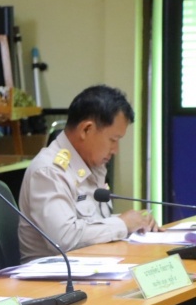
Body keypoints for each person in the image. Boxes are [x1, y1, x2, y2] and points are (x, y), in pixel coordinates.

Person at [18, 85, 159, 262]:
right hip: (54, 275)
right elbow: (65, 238)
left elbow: (93, 224)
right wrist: (122, 224)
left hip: (92, 266)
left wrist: (137, 222)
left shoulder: (92, 164)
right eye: (113, 140)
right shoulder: (49, 171)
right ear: (86, 130)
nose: (115, 150)